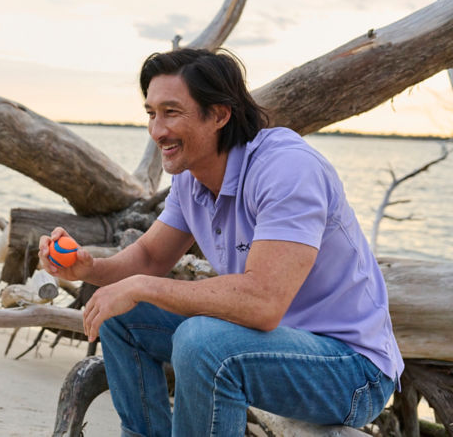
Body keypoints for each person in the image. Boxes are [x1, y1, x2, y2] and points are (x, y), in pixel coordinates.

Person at [38, 47, 403, 437]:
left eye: (171, 112)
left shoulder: (287, 169)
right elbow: (148, 255)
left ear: (218, 114)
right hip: (263, 347)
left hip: (351, 371)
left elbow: (263, 303)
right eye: (151, 113)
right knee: (122, 316)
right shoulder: (190, 178)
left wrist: (142, 286)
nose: (157, 130)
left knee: (202, 342)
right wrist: (89, 267)